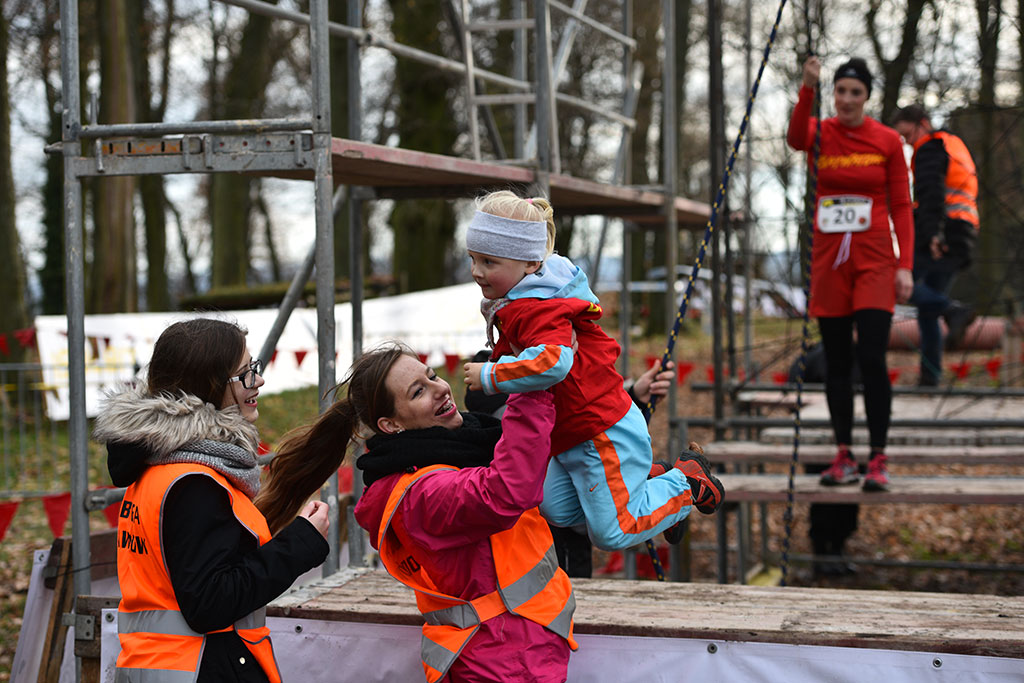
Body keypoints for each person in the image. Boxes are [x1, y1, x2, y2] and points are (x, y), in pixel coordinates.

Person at [260, 343, 578, 683]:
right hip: (501, 658)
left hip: (519, 648)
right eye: (418, 391)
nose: (441, 389)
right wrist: (531, 388)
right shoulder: (421, 495)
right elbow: (506, 492)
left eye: (433, 375)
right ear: (391, 424)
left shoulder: (456, 451)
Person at [462, 190, 724, 551]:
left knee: (612, 532)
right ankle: (651, 484)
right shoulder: (519, 302)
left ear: (530, 264)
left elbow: (555, 362)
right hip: (568, 435)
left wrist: (490, 376)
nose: (477, 271)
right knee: (552, 506)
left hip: (600, 430)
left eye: (489, 262)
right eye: (473, 259)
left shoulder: (541, 308)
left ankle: (686, 484)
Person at [92, 318, 330, 682]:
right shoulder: (194, 482)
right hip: (200, 667)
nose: (259, 381)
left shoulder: (162, 468)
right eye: (245, 374)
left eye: (255, 369)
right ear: (208, 385)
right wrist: (301, 542)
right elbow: (210, 602)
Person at [787, 56, 913, 497]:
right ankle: (844, 453)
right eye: (840, 91)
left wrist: (905, 266)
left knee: (873, 358)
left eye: (854, 92)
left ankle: (877, 456)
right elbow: (794, 137)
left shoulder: (888, 140)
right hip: (830, 262)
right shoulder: (821, 133)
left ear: (866, 97)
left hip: (876, 259)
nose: (845, 100)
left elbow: (901, 205)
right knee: (837, 362)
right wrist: (808, 86)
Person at [465, 353, 679, 577]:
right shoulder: (500, 444)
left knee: (607, 528)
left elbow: (583, 430)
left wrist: (634, 396)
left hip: (564, 560)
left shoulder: (538, 416)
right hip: (541, 564)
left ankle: (673, 487)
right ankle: (658, 487)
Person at [891, 104, 980, 386]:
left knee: (901, 284)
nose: (907, 142)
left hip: (942, 232)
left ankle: (954, 310)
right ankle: (930, 376)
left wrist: (932, 235)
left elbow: (931, 195)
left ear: (922, 123)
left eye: (907, 134)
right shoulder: (953, 144)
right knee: (927, 309)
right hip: (963, 231)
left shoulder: (929, 148)